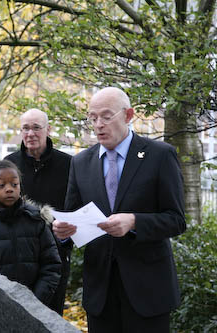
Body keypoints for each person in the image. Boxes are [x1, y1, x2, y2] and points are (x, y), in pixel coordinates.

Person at [53, 87, 187, 332]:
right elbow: (73, 218)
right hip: (100, 292)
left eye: (106, 116)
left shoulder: (160, 155)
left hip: (148, 291)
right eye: (92, 118)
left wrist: (134, 221)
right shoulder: (81, 162)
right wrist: (63, 233)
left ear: (128, 115)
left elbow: (176, 220)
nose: (98, 125)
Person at [0, 160, 62, 306]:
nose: (9, 189)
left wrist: (35, 301)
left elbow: (51, 265)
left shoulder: (35, 221)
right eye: (1, 185)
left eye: (14, 184)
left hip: (36, 307)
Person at [4, 108, 72, 315]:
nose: (30, 133)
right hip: (16, 253)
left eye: (36, 128)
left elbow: (77, 208)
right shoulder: (9, 163)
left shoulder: (69, 164)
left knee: (50, 317)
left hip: (55, 255)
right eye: (25, 128)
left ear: (48, 130)